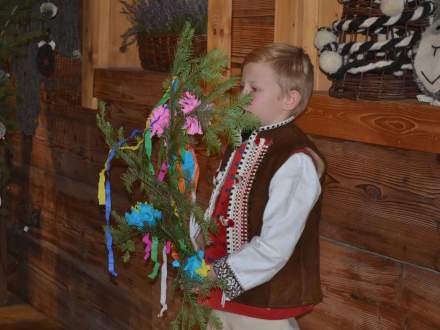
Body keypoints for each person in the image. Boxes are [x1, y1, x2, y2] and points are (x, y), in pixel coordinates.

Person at [195, 43, 326, 330]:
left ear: (289, 99)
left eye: (254, 90)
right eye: (241, 87)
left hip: (263, 306)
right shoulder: (242, 141)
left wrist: (218, 275)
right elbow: (218, 209)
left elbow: (275, 247)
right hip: (220, 298)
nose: (241, 98)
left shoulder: (295, 160)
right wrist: (194, 241)